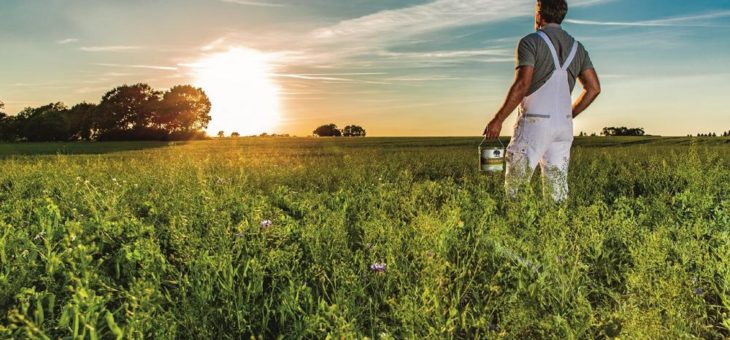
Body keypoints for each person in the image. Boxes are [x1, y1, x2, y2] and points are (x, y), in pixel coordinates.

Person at [483, 0, 601, 203]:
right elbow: (594, 88)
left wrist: (498, 119)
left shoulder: (531, 42)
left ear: (539, 13)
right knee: (557, 191)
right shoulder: (577, 48)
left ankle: (515, 228)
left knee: (516, 188)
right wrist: (570, 114)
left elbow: (522, 85)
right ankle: (557, 229)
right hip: (563, 125)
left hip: (534, 123)